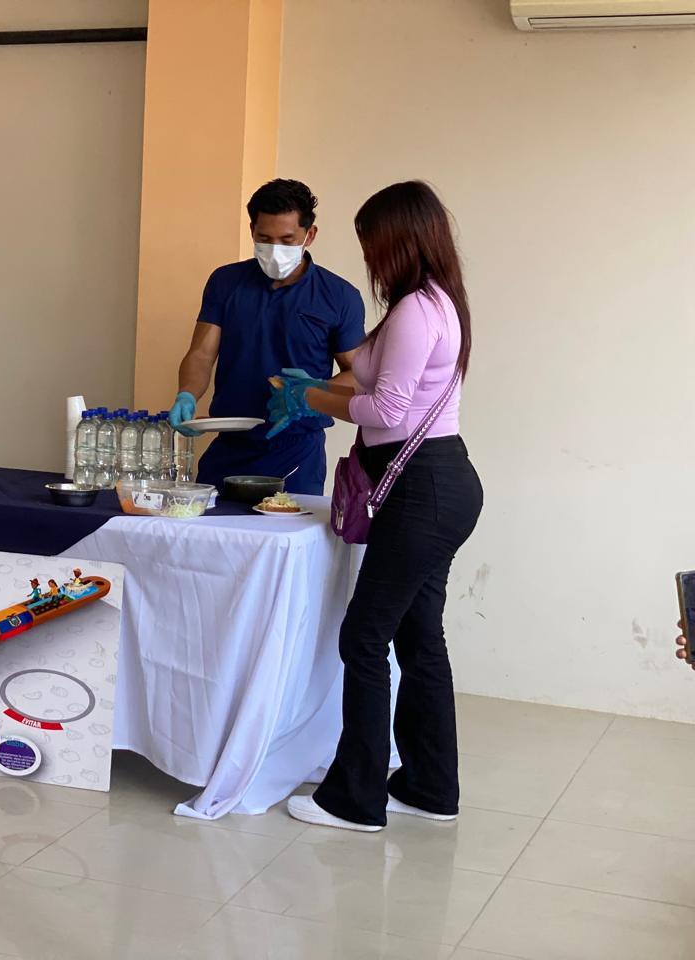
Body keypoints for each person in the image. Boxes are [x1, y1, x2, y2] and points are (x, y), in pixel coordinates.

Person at [282, 181, 484, 831]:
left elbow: (388, 411)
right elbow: (370, 380)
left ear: (399, 240)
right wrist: (314, 385)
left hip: (422, 491)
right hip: (440, 486)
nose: (368, 256)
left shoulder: (417, 311)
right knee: (418, 636)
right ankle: (429, 786)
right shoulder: (432, 302)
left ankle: (355, 799)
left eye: (372, 242)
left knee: (363, 638)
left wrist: (311, 399)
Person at [168, 179, 366, 494]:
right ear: (252, 231)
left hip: (296, 452)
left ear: (310, 235)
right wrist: (187, 394)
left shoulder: (339, 296)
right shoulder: (226, 282)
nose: (275, 250)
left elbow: (359, 374)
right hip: (229, 445)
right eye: (264, 239)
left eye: (287, 240)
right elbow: (201, 354)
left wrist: (311, 393)